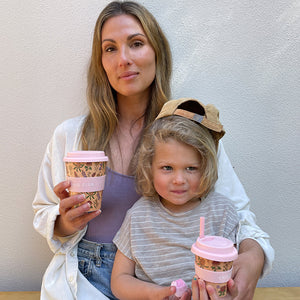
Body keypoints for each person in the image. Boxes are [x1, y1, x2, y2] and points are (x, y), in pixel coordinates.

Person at [32, 1, 274, 300]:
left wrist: (252, 258)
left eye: (136, 43)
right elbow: (44, 212)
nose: (124, 59)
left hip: (168, 282)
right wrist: (63, 222)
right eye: (110, 48)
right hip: (85, 277)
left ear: (157, 52)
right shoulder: (69, 136)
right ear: (101, 62)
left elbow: (241, 220)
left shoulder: (190, 134)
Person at [111, 98, 240, 300]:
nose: (179, 180)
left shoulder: (222, 213)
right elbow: (119, 281)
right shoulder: (138, 216)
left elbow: (234, 277)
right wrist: (157, 294)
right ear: (149, 168)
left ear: (206, 168)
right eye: (167, 168)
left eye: (191, 168)